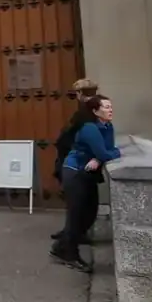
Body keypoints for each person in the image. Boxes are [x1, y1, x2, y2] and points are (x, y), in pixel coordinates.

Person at [52, 94, 120, 271]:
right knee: (76, 216)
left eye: (110, 106)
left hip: (88, 174)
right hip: (75, 173)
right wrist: (104, 156)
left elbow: (109, 149)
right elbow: (108, 152)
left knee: (90, 212)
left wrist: (101, 157)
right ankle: (69, 254)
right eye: (105, 107)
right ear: (95, 111)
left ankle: (61, 246)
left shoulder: (107, 126)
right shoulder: (90, 128)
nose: (110, 109)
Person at [50, 78, 100, 246]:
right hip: (80, 160)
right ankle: (72, 232)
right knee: (81, 201)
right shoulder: (92, 110)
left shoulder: (87, 112)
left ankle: (71, 238)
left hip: (77, 161)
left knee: (80, 202)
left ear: (80, 94)